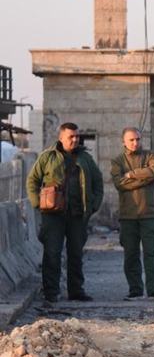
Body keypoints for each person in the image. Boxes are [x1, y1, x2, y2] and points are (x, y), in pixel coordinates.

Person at [26, 122, 103, 307]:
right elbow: (32, 180)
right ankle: (51, 293)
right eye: (71, 137)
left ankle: (76, 291)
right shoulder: (47, 157)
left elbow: (98, 182)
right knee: (52, 253)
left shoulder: (85, 159)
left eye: (77, 136)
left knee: (75, 253)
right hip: (53, 216)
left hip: (77, 215)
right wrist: (38, 204)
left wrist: (93, 206)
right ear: (61, 138)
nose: (75, 140)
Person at [110, 127, 154, 302]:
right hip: (128, 216)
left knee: (151, 253)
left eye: (138, 139)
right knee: (131, 254)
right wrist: (143, 180)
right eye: (131, 140)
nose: (135, 143)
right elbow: (120, 184)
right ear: (124, 142)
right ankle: (135, 290)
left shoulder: (151, 156)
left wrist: (132, 175)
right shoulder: (117, 161)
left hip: (149, 214)